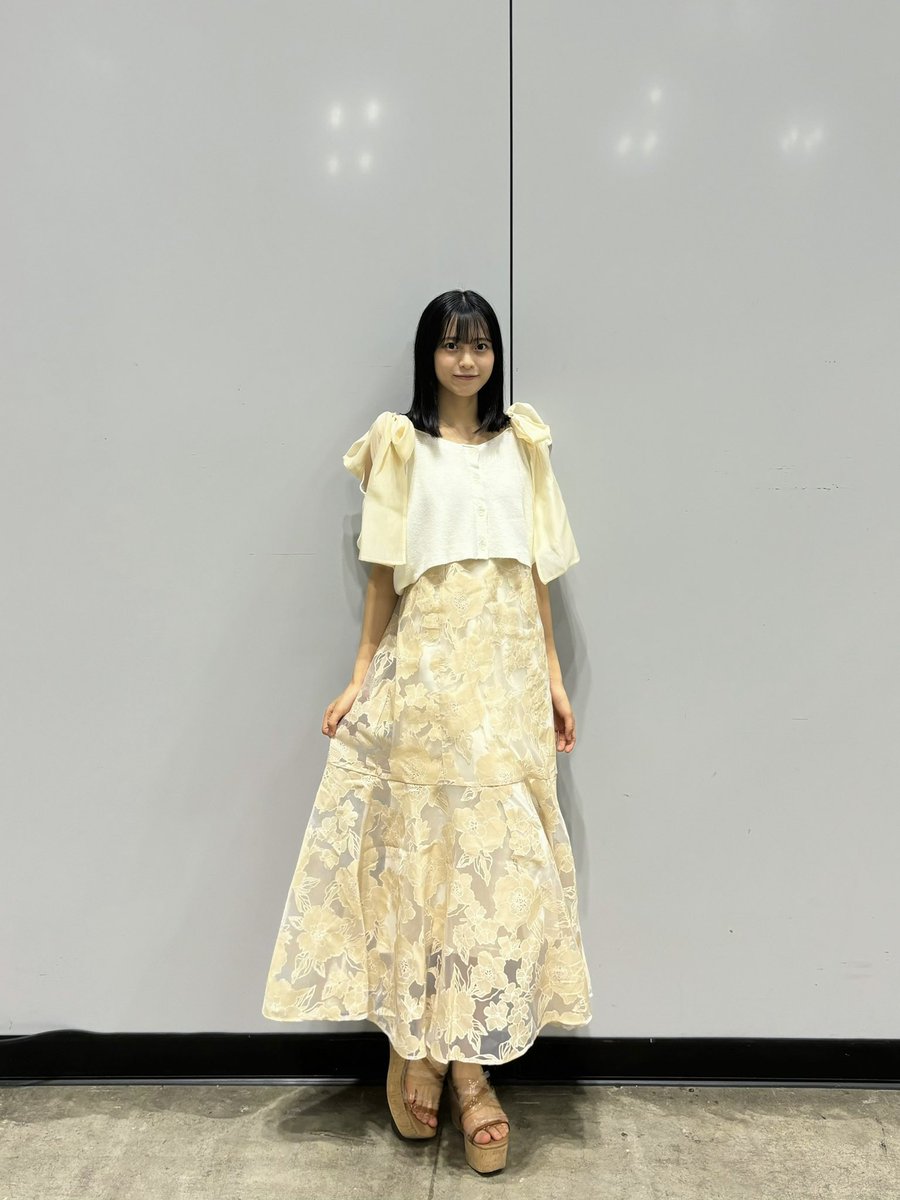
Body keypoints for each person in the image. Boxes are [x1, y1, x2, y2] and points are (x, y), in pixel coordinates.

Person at [261, 289, 593, 1174]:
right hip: (430, 671)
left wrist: (553, 677)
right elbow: (383, 575)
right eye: (451, 346)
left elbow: (536, 575)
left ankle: (469, 1067)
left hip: (506, 676)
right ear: (429, 356)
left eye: (480, 345)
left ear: (495, 355)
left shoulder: (525, 444)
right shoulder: (399, 446)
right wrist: (361, 671)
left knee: (495, 870)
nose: (467, 361)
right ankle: (421, 1047)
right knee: (426, 858)